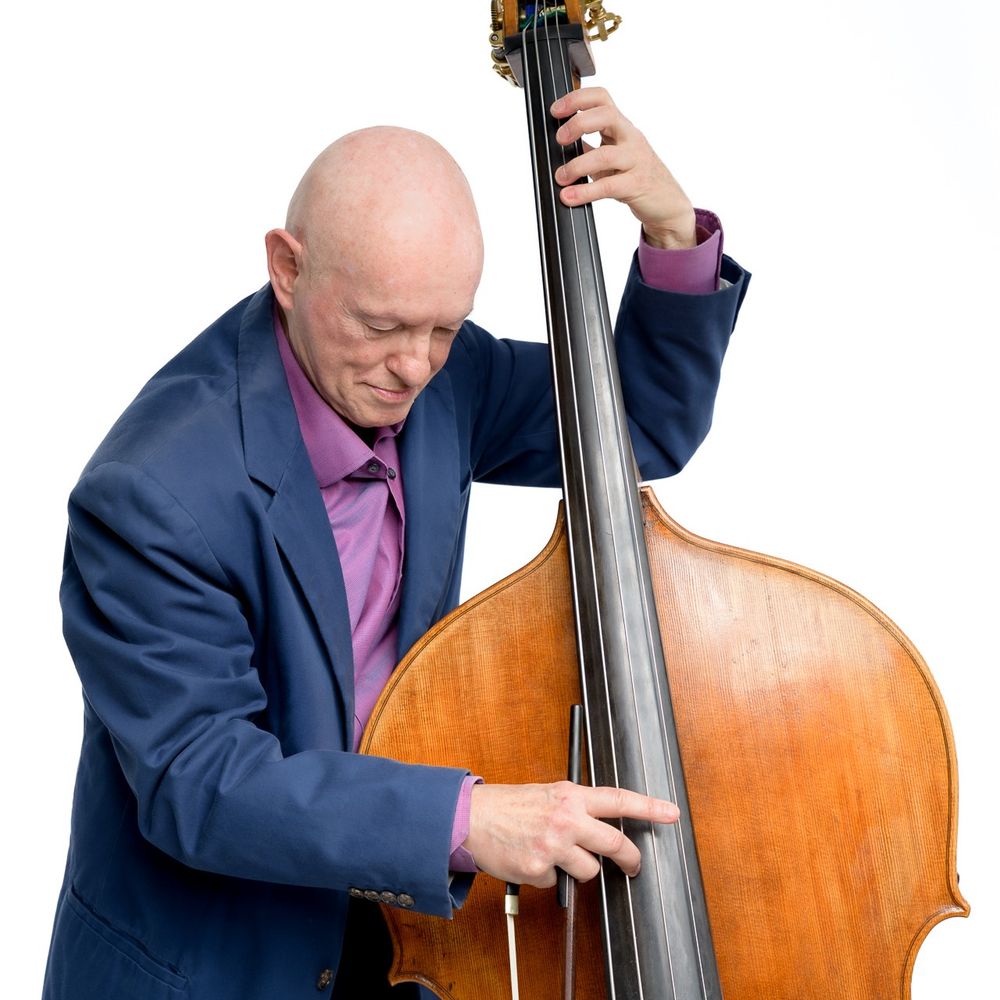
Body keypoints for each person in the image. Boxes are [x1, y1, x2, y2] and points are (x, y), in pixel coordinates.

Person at [43, 88, 748, 999]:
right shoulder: (152, 492)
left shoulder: (444, 379)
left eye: (443, 329)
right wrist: (463, 819)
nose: (413, 365)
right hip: (214, 964)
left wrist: (672, 232)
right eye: (380, 327)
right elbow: (200, 780)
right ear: (287, 268)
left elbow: (635, 429)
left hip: (396, 943)